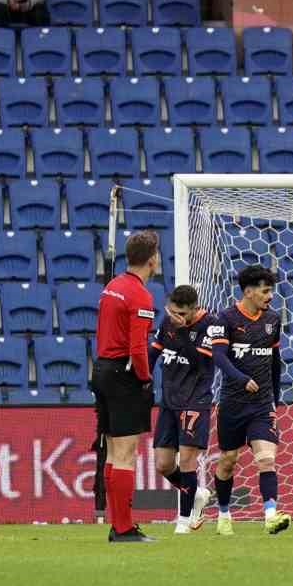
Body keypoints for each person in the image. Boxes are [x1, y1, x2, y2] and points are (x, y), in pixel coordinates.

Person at [208, 266, 289, 536]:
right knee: (228, 460)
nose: (270, 296)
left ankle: (270, 516)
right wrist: (242, 378)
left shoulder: (273, 320)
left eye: (271, 290)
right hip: (232, 403)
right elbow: (219, 357)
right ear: (248, 292)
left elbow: (275, 362)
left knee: (266, 459)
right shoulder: (226, 319)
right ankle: (223, 514)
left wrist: (274, 401)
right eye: (265, 291)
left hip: (262, 405)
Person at [92, 230, 159, 544]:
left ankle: (116, 524)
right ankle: (123, 528)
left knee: (111, 453)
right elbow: (137, 348)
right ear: (152, 258)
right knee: (126, 454)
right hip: (123, 375)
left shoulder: (112, 287)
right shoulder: (140, 295)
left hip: (102, 369)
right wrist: (145, 379)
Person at [151, 285, 217, 535]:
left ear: (194, 309)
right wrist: (143, 377)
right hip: (169, 401)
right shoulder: (168, 322)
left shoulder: (209, 325)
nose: (175, 316)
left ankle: (184, 521)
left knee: (187, 461)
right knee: (163, 464)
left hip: (194, 401)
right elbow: (155, 350)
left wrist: (180, 332)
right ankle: (197, 494)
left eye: (180, 313)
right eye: (172, 311)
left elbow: (199, 363)